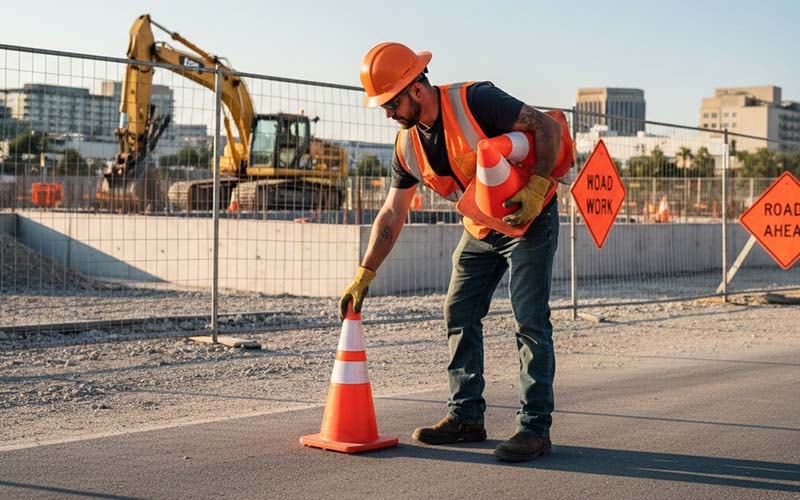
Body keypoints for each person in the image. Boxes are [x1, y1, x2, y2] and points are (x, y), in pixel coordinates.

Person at [339, 42, 563, 462]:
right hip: (480, 229)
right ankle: (466, 418)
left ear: (416, 89)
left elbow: (548, 129)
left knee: (529, 319)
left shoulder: (476, 100)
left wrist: (536, 188)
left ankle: (535, 429)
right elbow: (392, 213)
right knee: (458, 312)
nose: (388, 113)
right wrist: (364, 273)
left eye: (390, 103)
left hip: (528, 221)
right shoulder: (406, 146)